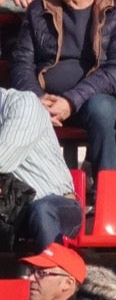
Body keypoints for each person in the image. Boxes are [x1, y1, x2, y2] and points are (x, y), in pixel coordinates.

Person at [9, 0, 116, 181]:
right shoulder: (39, 9)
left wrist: (71, 101)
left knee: (104, 110)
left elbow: (115, 69)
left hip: (89, 100)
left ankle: (104, 188)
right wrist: (37, 99)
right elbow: (22, 62)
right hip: (44, 98)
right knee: (18, 105)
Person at [0, 88, 84, 248]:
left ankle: (54, 270)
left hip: (55, 205)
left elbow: (3, 160)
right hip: (11, 210)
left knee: (41, 210)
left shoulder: (25, 104)